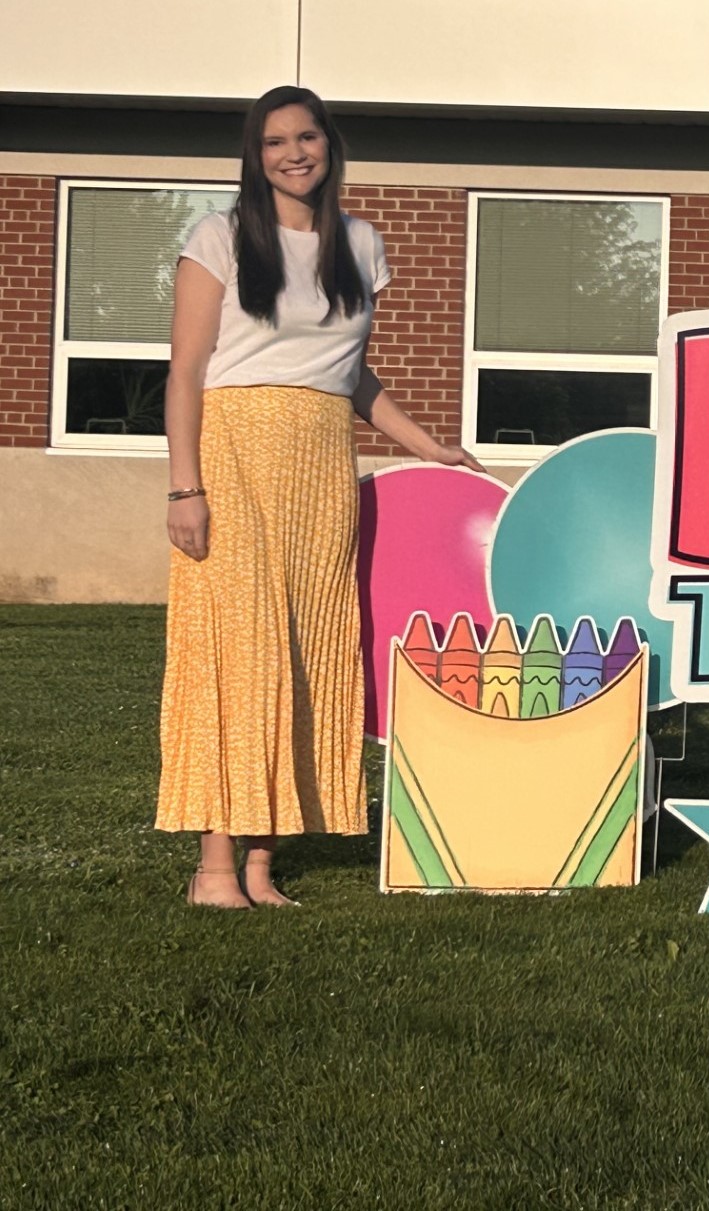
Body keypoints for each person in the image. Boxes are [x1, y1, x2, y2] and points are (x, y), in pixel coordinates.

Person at [158, 86, 482, 908]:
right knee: (240, 651)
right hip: (234, 454)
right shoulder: (219, 238)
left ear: (330, 145)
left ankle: (263, 868)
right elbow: (186, 373)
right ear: (253, 154)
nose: (292, 153)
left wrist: (429, 447)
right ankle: (215, 868)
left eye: (306, 137)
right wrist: (184, 487)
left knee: (306, 651)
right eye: (274, 142)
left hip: (321, 464)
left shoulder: (360, 244)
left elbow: (349, 375)